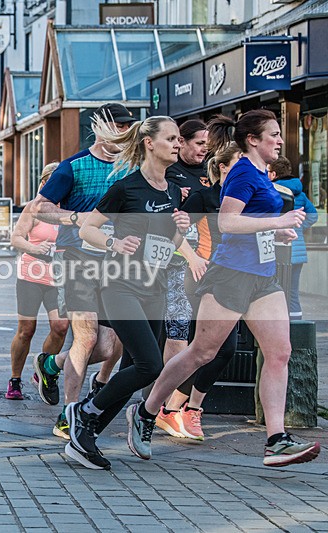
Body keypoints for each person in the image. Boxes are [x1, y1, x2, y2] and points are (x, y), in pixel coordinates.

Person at [136, 110, 320, 468]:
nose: (280, 141)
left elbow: (254, 221)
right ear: (253, 139)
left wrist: (275, 230)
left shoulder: (262, 175)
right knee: (201, 353)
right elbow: (228, 221)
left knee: (280, 352)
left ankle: (276, 440)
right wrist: (279, 220)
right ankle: (146, 412)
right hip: (232, 275)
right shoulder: (241, 172)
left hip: (263, 276)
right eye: (274, 135)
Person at [65, 115, 190, 470]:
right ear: (150, 143)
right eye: (171, 138)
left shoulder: (170, 189)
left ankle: (84, 435)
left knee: (140, 366)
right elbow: (88, 229)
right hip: (120, 285)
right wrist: (114, 242)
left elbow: (169, 242)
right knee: (150, 363)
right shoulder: (126, 187)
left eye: (179, 139)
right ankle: (85, 412)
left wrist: (181, 229)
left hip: (155, 288)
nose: (177, 144)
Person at [30, 103, 131, 440]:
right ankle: (68, 415)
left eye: (128, 126)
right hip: (76, 257)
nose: (124, 132)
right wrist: (74, 218)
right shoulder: (74, 167)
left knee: (106, 348)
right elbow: (40, 207)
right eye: (118, 125)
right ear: (100, 127)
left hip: (116, 263)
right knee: (85, 338)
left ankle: (50, 364)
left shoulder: (129, 168)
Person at [156, 142, 242, 441]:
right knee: (214, 348)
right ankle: (170, 409)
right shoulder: (205, 197)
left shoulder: (248, 197)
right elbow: (172, 232)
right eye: (239, 163)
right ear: (222, 167)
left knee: (214, 351)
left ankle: (176, 409)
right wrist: (193, 258)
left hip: (240, 280)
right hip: (207, 278)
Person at [7, 163, 68, 401]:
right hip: (31, 275)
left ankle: (42, 370)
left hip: (59, 277)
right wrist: (35, 247)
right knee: (26, 330)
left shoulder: (69, 209)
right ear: (44, 183)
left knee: (61, 327)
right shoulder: (34, 208)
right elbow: (15, 238)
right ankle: (15, 380)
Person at [161, 120, 210, 375]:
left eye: (207, 144)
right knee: (177, 329)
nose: (204, 149)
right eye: (199, 143)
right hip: (176, 261)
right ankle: (167, 398)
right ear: (182, 142)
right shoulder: (169, 170)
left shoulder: (211, 172)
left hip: (208, 259)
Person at [268, 156, 318, 320]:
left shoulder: (271, 191)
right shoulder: (301, 194)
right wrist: (298, 227)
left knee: (274, 291)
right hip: (298, 251)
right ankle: (296, 330)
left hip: (277, 249)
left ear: (273, 174)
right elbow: (313, 216)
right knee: (293, 293)